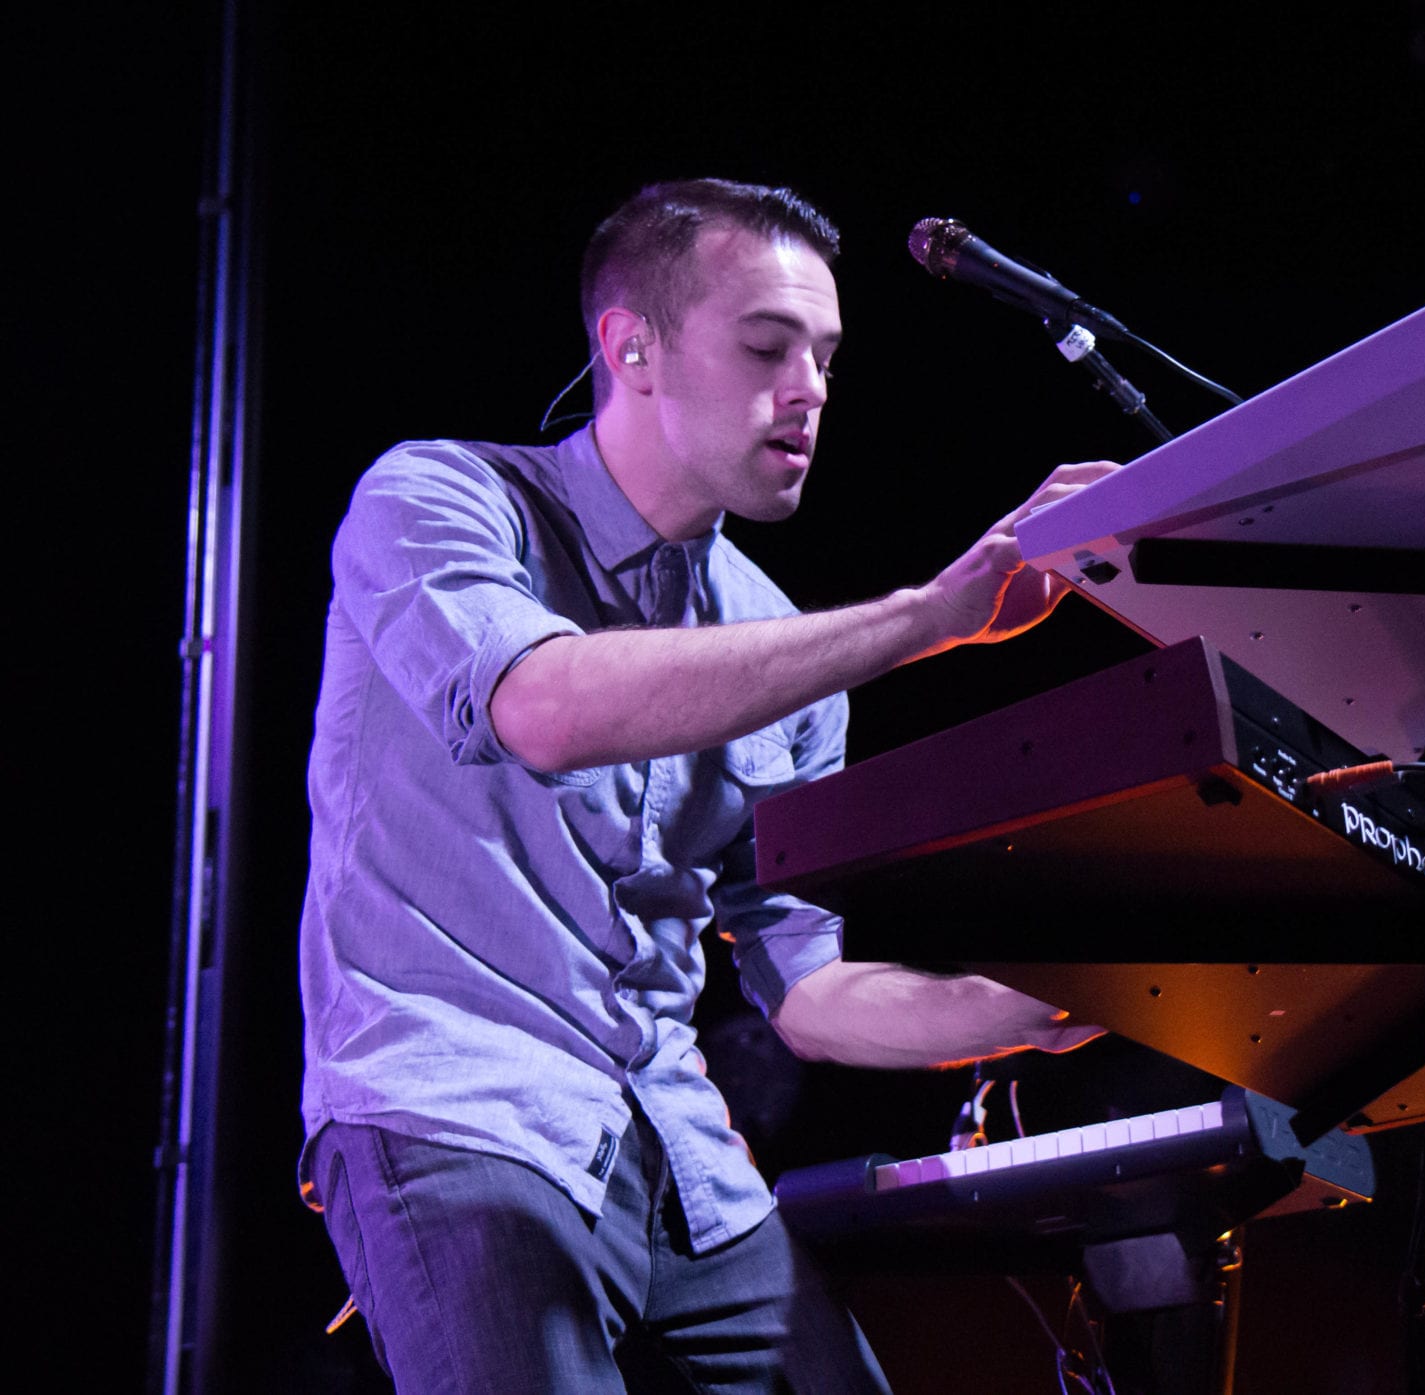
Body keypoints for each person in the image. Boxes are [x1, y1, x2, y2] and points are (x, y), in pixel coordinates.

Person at [297, 177, 1116, 1394]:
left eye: (826, 357)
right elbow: (542, 707)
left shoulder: (780, 640)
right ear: (631, 348)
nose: (811, 390)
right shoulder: (437, 497)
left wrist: (1053, 1002)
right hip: (457, 1111)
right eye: (767, 347)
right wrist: (925, 619)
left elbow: (807, 992)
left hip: (684, 1155)